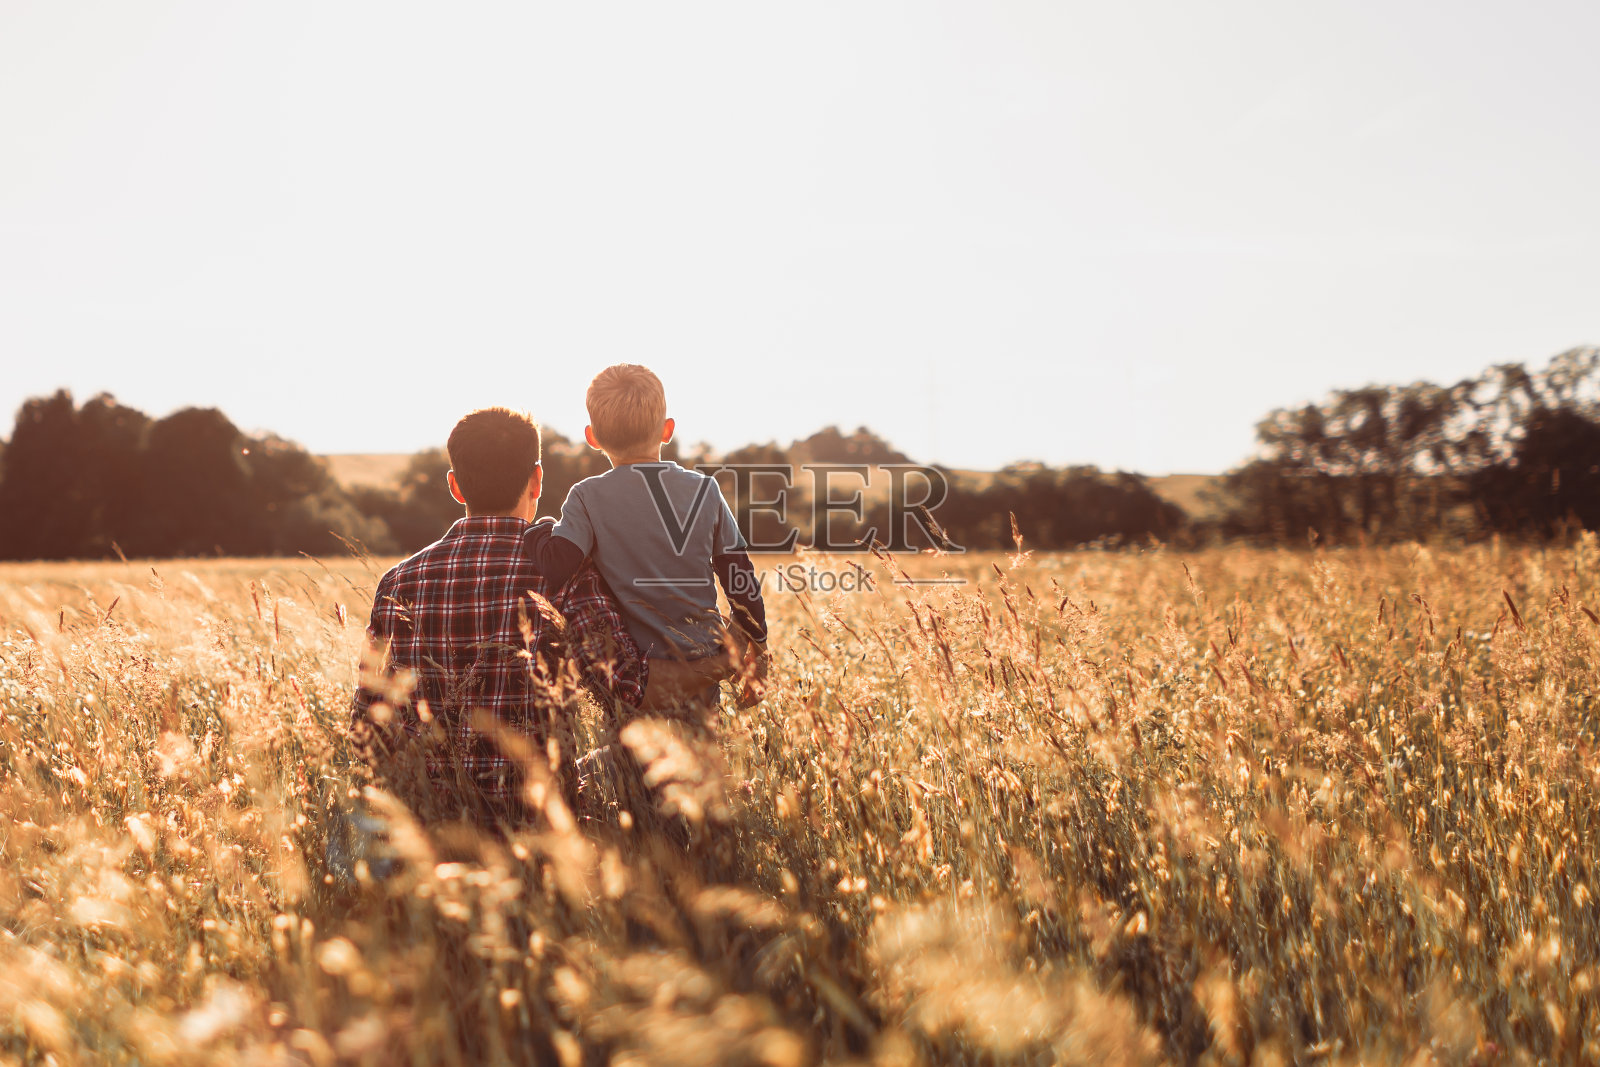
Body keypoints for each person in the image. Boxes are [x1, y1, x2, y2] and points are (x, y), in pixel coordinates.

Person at [349, 406, 731, 828]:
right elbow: (632, 691)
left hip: (429, 830)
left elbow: (368, 728)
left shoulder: (399, 581)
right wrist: (729, 657)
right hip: (540, 829)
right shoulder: (561, 576)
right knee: (641, 763)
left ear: (456, 487)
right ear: (537, 479)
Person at [530, 364, 767, 707]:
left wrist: (536, 531)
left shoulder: (586, 497)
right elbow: (739, 573)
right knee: (700, 752)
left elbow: (557, 565)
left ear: (592, 437)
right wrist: (757, 646)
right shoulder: (704, 490)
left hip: (638, 675)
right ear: (667, 430)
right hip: (702, 661)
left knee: (630, 757)